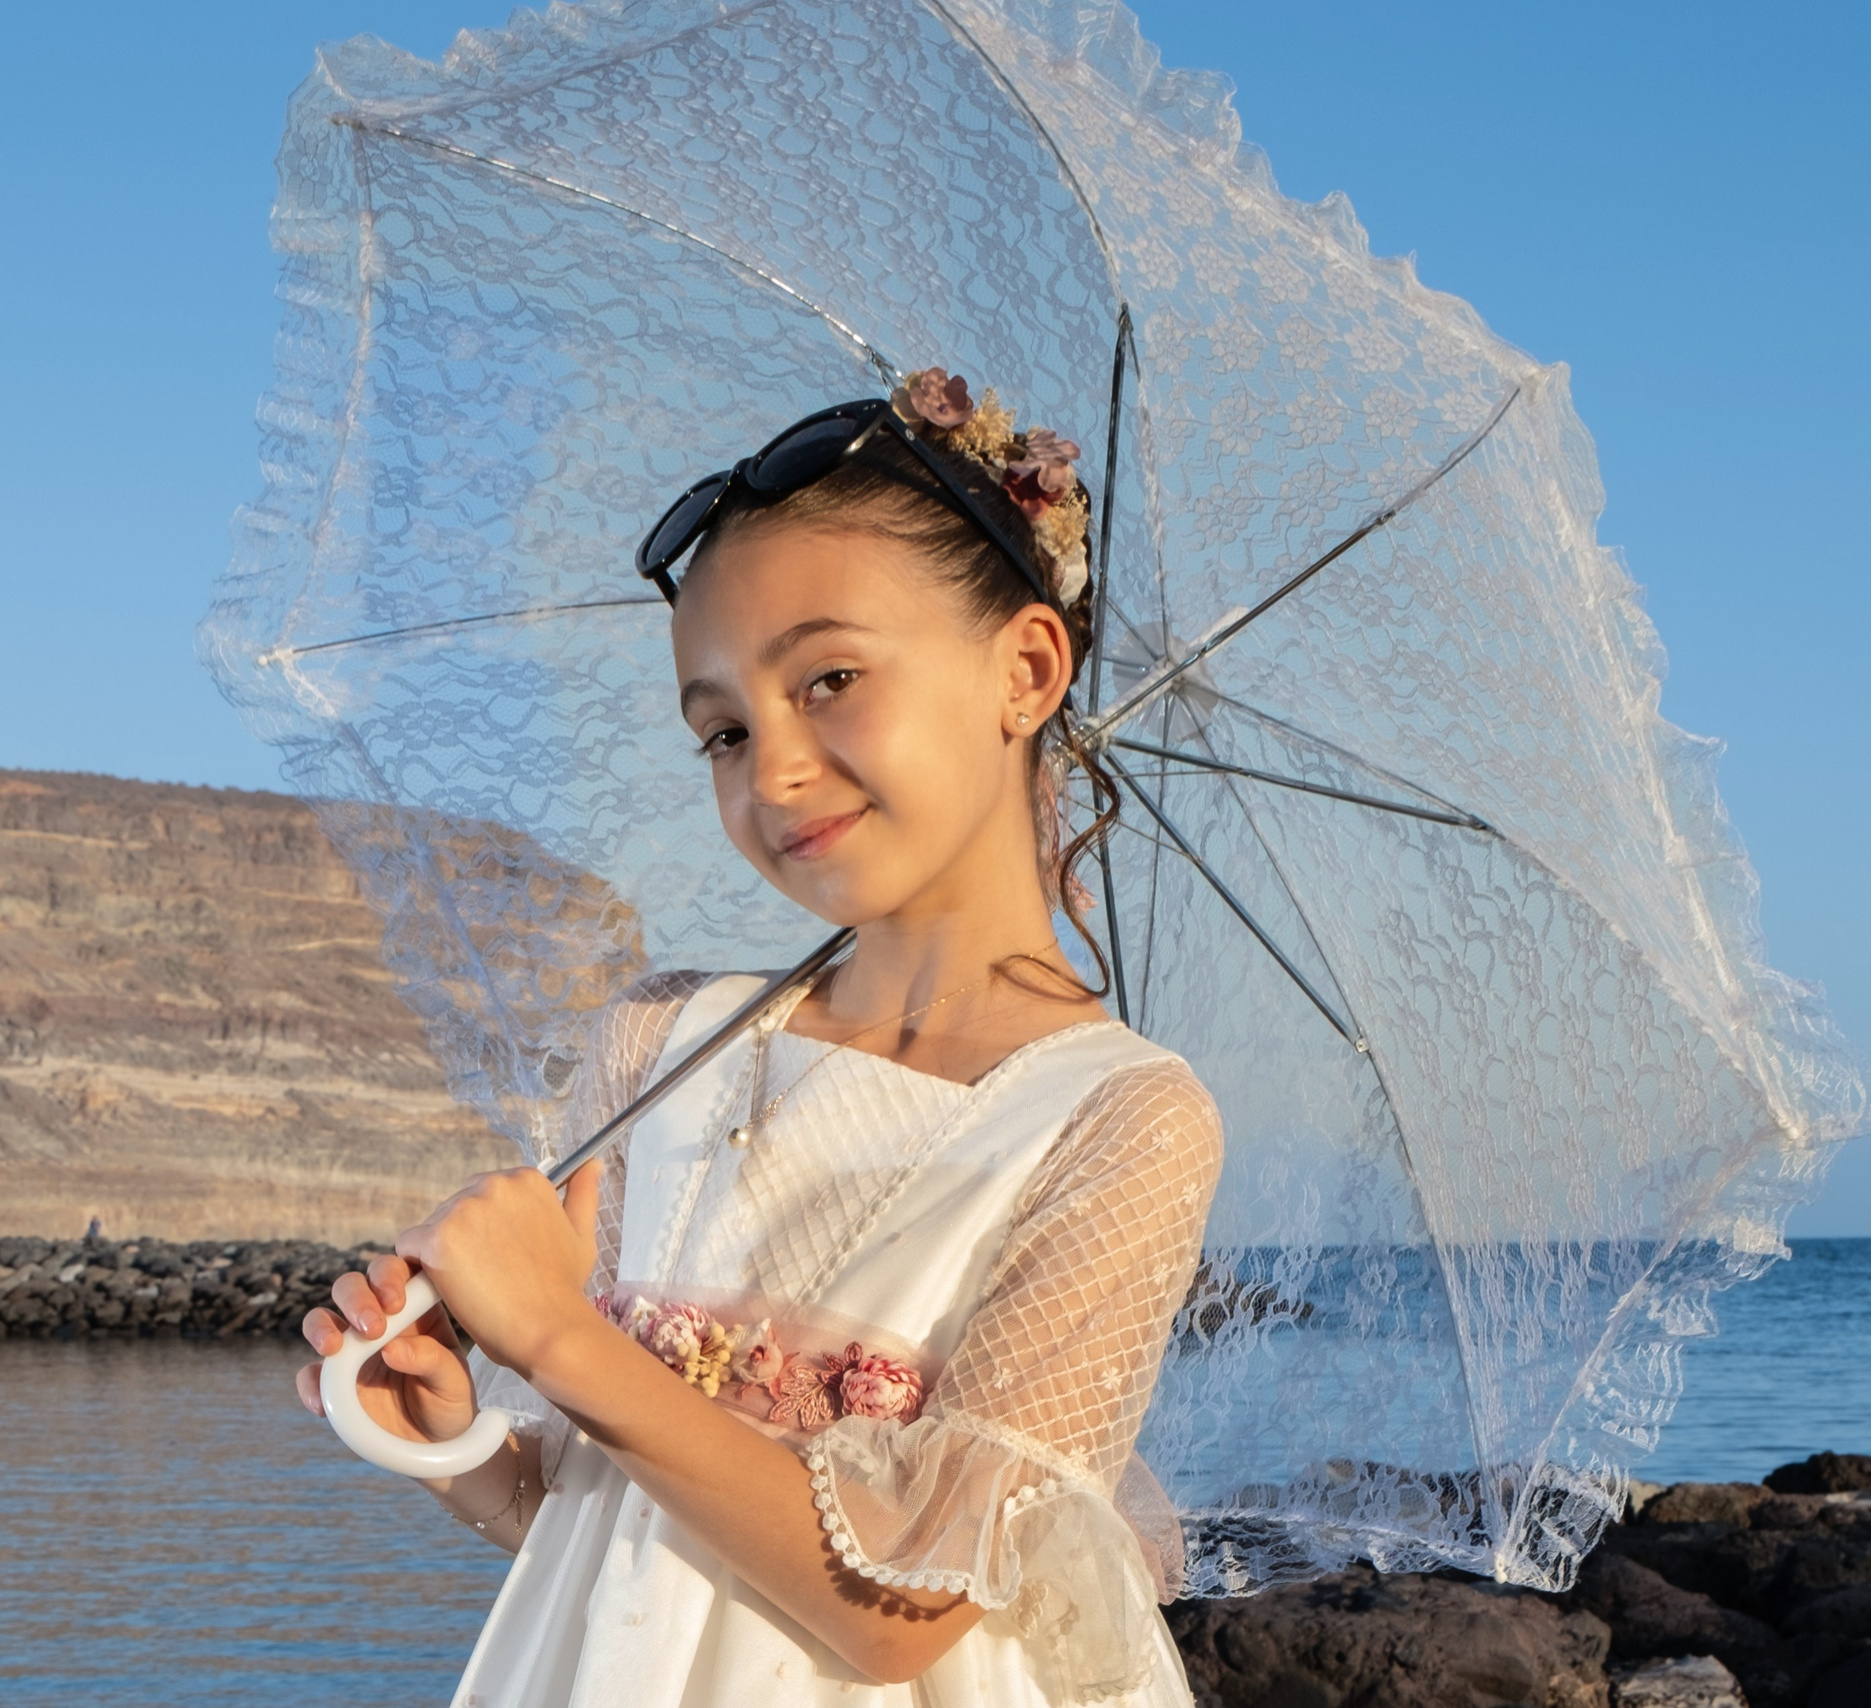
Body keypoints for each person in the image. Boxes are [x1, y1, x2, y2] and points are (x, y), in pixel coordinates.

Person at [298, 369, 1223, 1707]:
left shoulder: (1117, 1119)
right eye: (723, 730)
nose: (772, 770)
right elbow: (607, 1520)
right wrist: (454, 1442)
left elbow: (909, 1610)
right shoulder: (660, 1049)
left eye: (830, 678)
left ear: (1025, 669)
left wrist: (557, 1335)